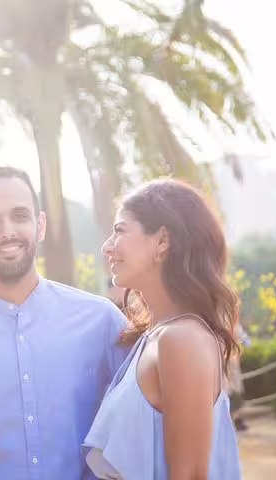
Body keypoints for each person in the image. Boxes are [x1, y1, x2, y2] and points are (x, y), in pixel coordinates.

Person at [0, 166, 130, 480]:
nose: (7, 231)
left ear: (40, 225)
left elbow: (143, 434)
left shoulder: (103, 322)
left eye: (20, 215)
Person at [83, 178, 242, 479]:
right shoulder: (154, 336)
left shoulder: (182, 340)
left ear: (162, 241)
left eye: (119, 230)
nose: (107, 247)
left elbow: (192, 475)